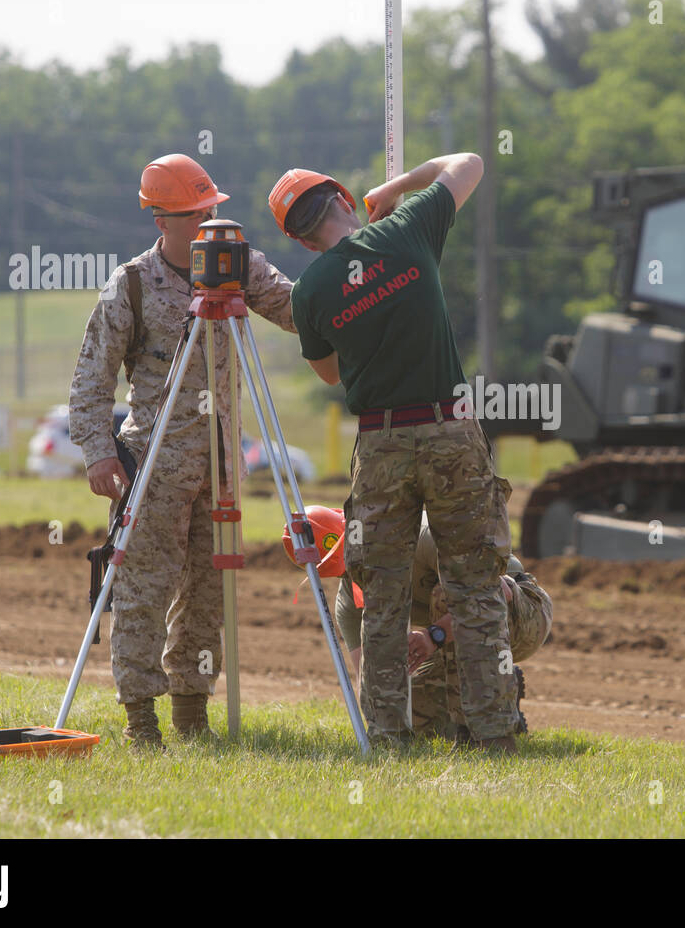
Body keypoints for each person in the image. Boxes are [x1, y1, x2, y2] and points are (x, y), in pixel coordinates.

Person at [268, 153, 519, 753]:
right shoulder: (408, 229)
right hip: (451, 432)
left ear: (301, 242)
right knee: (475, 587)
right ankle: (491, 736)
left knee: (378, 595)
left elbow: (329, 373)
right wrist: (396, 187)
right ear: (347, 201)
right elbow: (469, 162)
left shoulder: (309, 292)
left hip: (380, 443)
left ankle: (387, 738)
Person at [69, 154, 299, 747]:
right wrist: (99, 452)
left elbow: (298, 310)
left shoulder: (238, 266)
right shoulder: (134, 284)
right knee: (144, 588)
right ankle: (141, 719)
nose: (208, 226)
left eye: (212, 212)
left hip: (222, 466)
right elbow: (92, 378)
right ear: (160, 220)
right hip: (153, 464)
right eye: (195, 215)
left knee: (208, 592)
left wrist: (352, 289)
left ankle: (192, 714)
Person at [288, 508, 552, 740]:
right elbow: (367, 682)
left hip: (521, 614)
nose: (356, 571)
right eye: (344, 570)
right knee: (408, 711)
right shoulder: (350, 602)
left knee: (448, 594)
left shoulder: (423, 536)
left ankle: (485, 723)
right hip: (455, 639)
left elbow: (493, 592)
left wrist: (433, 636)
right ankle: (498, 693)